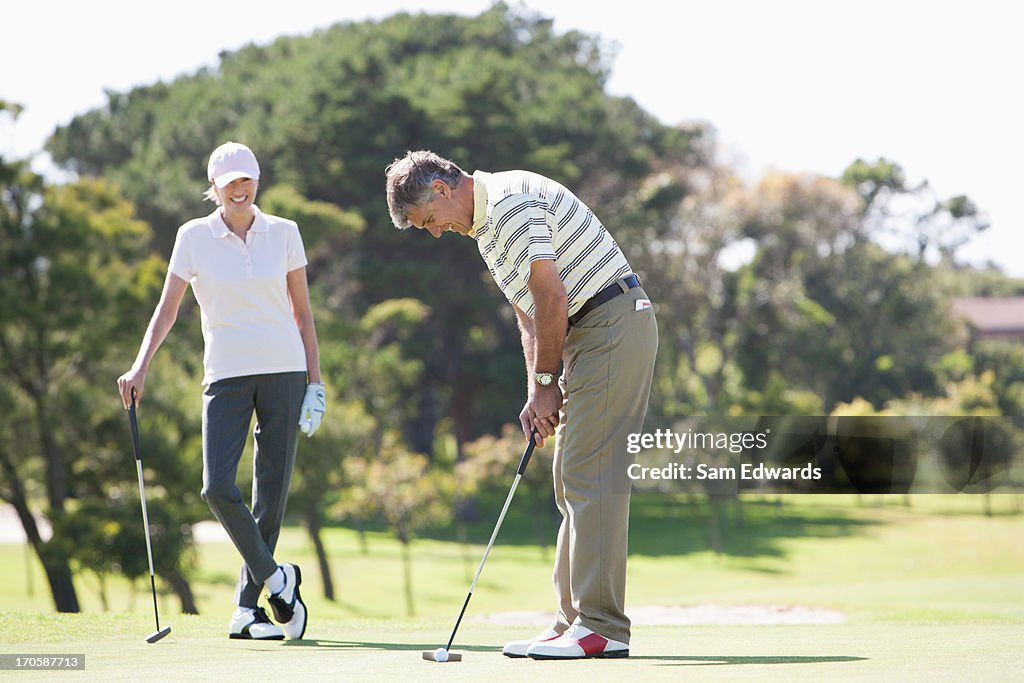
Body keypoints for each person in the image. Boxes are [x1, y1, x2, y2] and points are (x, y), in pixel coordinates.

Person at [385, 151, 658, 660]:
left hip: (612, 322)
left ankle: (603, 627)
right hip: (586, 335)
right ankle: (572, 621)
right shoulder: (486, 227)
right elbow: (528, 310)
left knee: (591, 473)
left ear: (442, 190)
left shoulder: (511, 203)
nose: (436, 233)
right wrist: (537, 391)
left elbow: (551, 296)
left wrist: (549, 380)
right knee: (570, 478)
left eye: (429, 221)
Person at [117, 141, 325, 641]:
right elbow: (167, 310)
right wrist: (140, 367)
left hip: (284, 372)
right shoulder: (193, 237)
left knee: (269, 496)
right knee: (215, 485)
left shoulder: (285, 233)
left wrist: (315, 383)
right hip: (226, 376)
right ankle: (279, 579)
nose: (240, 188)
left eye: (246, 179)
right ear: (213, 188)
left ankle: (245, 611)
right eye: (229, 181)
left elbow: (303, 312)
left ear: (257, 182)